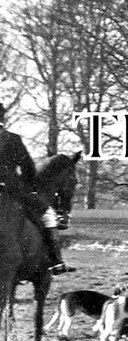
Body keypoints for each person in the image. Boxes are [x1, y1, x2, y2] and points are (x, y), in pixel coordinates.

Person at [0, 103, 73, 274]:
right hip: (11, 191)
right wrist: (24, 187)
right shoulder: (12, 139)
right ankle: (55, 260)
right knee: (48, 215)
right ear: (3, 117)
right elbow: (28, 168)